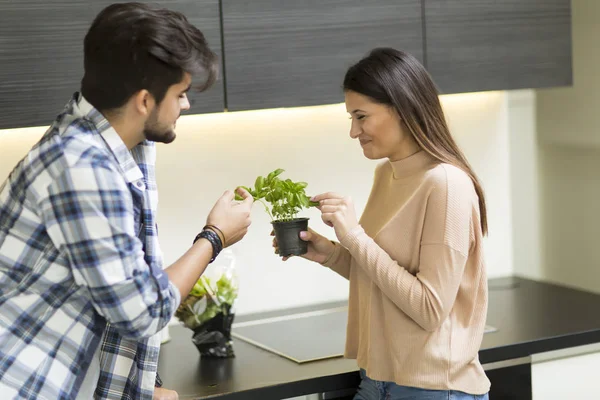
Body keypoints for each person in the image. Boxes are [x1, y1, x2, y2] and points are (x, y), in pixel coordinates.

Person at [0, 3, 253, 399]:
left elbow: (104, 284)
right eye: (181, 94)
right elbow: (143, 313)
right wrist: (215, 236)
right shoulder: (83, 167)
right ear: (143, 101)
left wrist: (143, 388)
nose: (185, 105)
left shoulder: (104, 135)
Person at [276, 48, 490, 399]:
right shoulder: (386, 174)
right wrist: (331, 253)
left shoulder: (446, 184)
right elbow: (388, 280)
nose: (353, 131)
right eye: (351, 118)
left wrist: (355, 237)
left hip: (431, 390)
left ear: (403, 109)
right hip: (376, 380)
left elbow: (429, 308)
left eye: (361, 116)